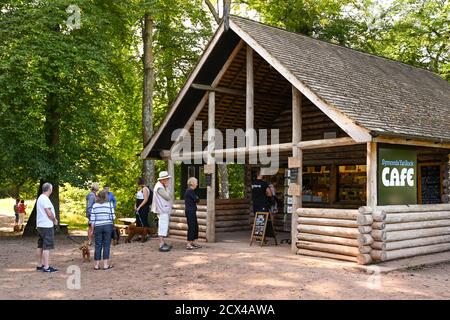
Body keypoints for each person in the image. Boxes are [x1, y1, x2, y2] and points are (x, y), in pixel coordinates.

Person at [90, 190, 115, 270]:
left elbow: (92, 219)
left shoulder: (94, 205)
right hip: (108, 226)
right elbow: (113, 217)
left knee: (98, 245)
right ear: (106, 197)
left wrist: (92, 230)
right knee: (106, 245)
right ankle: (105, 265)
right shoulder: (110, 205)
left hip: (98, 227)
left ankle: (96, 265)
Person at [36, 182, 58, 273]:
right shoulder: (45, 199)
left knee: (40, 245)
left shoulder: (40, 198)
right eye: (51, 188)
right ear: (49, 189)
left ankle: (39, 265)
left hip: (40, 225)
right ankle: (46, 267)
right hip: (46, 225)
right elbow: (48, 212)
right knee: (47, 247)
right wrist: (54, 219)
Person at [152, 171, 173, 252]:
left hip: (163, 209)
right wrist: (167, 187)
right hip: (162, 210)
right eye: (167, 179)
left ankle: (163, 242)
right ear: (163, 180)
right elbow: (168, 197)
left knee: (163, 226)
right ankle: (161, 244)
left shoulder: (161, 186)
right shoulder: (160, 187)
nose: (168, 180)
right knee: (162, 226)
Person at [184, 177, 201, 250]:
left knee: (195, 226)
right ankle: (188, 243)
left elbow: (196, 199)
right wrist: (197, 198)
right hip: (190, 211)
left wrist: (196, 198)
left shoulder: (191, 191)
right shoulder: (190, 191)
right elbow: (196, 199)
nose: (197, 184)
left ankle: (194, 242)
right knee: (192, 227)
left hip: (192, 211)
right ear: (193, 183)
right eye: (196, 182)